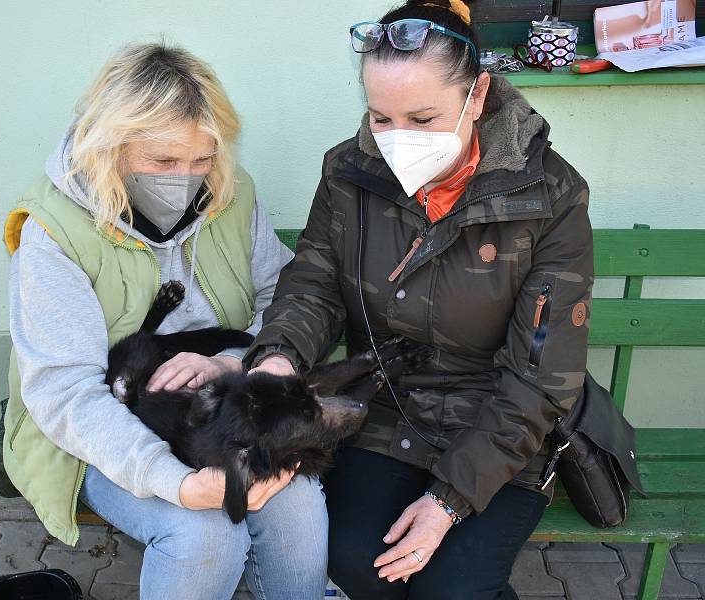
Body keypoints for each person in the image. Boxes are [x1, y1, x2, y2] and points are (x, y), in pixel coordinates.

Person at [246, 1, 593, 598]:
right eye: (380, 117)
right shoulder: (347, 174)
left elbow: (541, 374)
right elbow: (314, 284)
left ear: (477, 97)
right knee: (357, 560)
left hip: (502, 428)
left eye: (424, 117)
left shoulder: (549, 196)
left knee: (449, 589)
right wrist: (278, 358)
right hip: (386, 411)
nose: (396, 139)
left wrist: (446, 500)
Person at [2, 42, 327, 600]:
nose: (187, 179)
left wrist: (233, 361)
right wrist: (172, 482)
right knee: (202, 535)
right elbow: (65, 393)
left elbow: (281, 295)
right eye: (162, 162)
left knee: (295, 500)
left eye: (202, 160)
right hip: (105, 426)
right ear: (111, 147)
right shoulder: (53, 231)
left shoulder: (232, 190)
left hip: (218, 410)